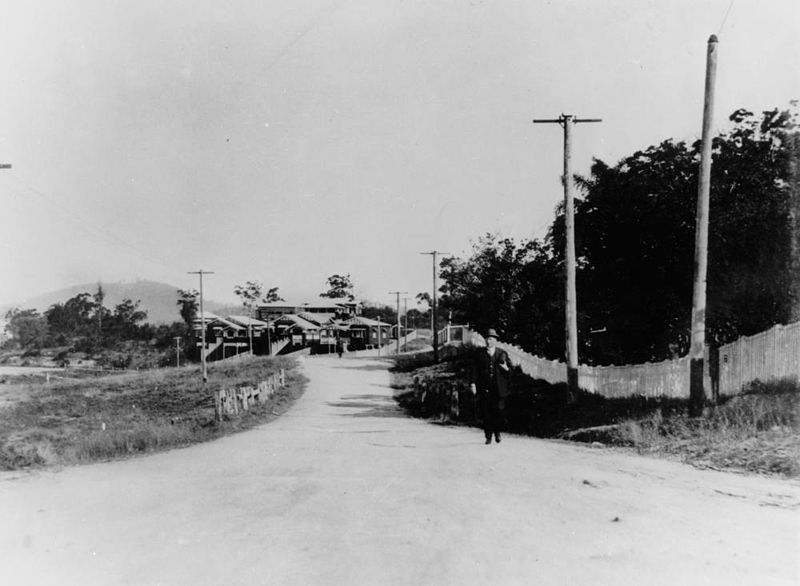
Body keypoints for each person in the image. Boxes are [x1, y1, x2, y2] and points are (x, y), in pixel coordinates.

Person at [471, 328, 511, 444]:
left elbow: (510, 370)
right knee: (486, 412)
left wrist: (505, 367)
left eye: (491, 339)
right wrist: (473, 383)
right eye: (487, 339)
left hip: (498, 389)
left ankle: (497, 432)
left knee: (498, 411)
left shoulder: (502, 353)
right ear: (485, 340)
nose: (489, 341)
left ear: (495, 340)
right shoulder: (479, 354)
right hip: (484, 388)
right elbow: (474, 370)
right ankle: (488, 436)